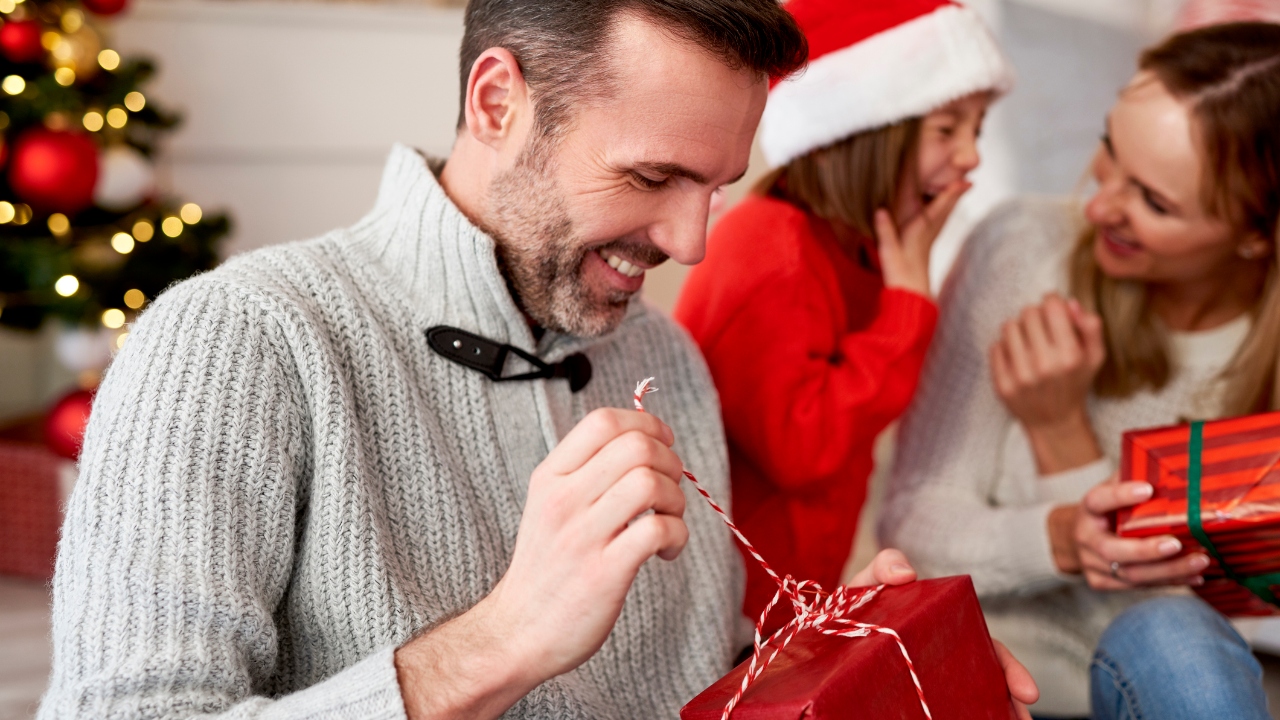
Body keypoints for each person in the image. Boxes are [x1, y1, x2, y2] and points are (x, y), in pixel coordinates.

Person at [37, 2, 1039, 719]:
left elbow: (691, 680)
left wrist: (855, 661)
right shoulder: (235, 340)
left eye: (718, 187)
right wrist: (505, 638)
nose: (691, 243)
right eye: (652, 175)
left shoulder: (664, 357)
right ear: (495, 101)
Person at [879, 21, 1280, 719]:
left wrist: (1062, 438)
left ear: (1254, 234)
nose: (1097, 206)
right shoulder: (1021, 252)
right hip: (1004, 686)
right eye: (1108, 148)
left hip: (1182, 691)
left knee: (1179, 637)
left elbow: (1200, 647)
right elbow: (913, 529)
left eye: (1154, 203)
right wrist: (1058, 535)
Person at [675, 0, 1013, 628]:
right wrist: (908, 304)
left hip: (788, 592)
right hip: (731, 609)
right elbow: (803, 449)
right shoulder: (773, 250)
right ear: (865, 131)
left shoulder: (853, 245)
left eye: (979, 129)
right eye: (947, 129)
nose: (971, 157)